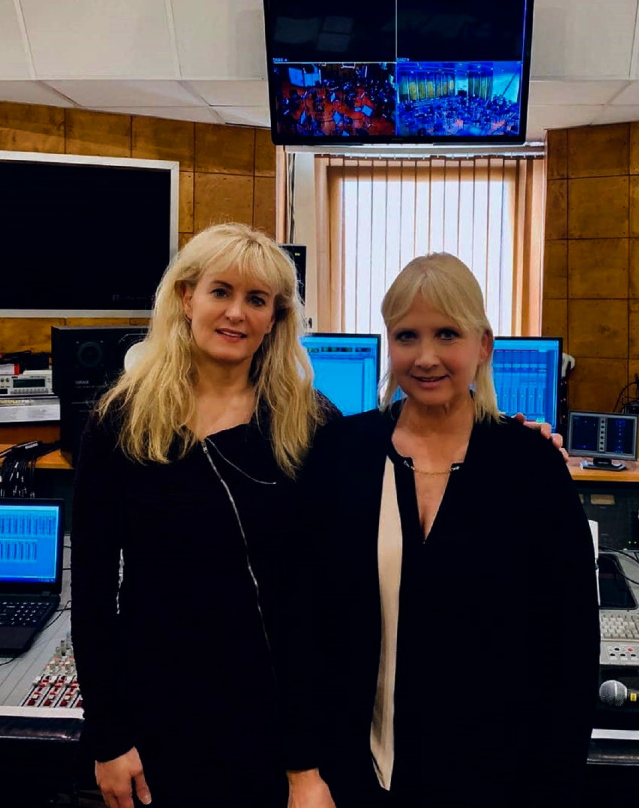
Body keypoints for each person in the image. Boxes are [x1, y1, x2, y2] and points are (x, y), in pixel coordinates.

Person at [302, 253, 599, 808]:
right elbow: (307, 625)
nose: (426, 357)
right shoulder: (339, 452)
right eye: (407, 336)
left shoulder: (531, 467)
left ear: (483, 345)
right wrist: (305, 768)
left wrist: (553, 787)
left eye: (447, 334)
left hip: (496, 783)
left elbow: (570, 649)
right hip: (355, 776)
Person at [70, 223, 336, 808]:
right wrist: (109, 737)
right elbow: (92, 595)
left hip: (273, 724)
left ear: (275, 319)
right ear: (187, 297)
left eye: (257, 299)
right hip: (158, 721)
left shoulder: (312, 424)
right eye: (221, 291)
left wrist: (306, 763)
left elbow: (316, 608)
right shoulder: (119, 422)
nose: (236, 313)